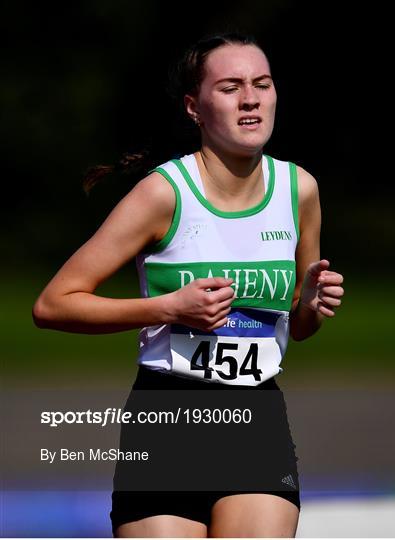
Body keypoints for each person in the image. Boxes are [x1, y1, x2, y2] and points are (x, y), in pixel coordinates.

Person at [32, 32, 345, 538]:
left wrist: (309, 303)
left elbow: (300, 325)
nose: (250, 98)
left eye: (261, 84)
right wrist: (170, 308)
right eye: (230, 87)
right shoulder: (163, 193)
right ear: (194, 107)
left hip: (255, 419)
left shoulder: (299, 189)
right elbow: (53, 305)